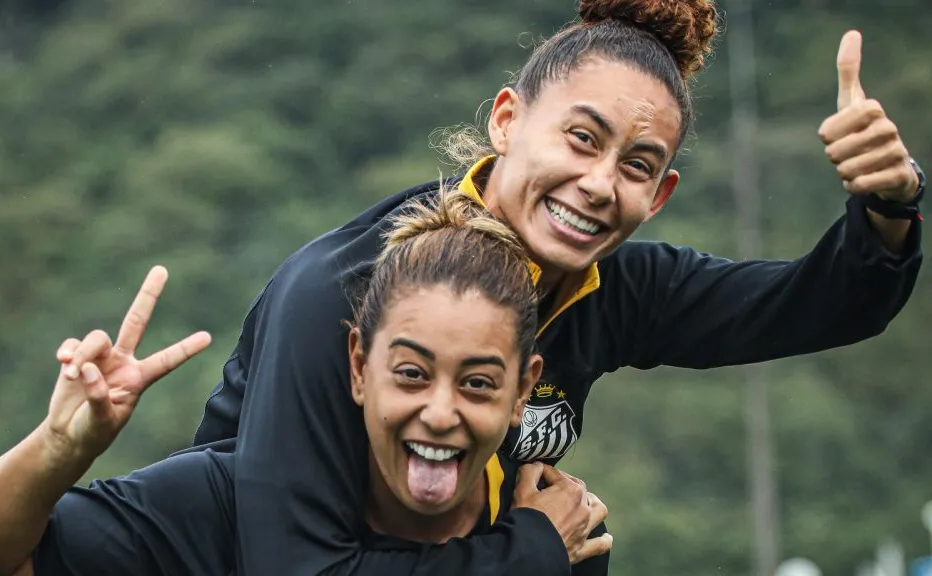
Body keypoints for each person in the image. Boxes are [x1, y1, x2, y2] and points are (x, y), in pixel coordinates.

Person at [180, 0, 924, 573]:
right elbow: (290, 566)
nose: (598, 184)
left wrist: (888, 201)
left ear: (659, 195)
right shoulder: (344, 294)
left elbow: (818, 306)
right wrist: (533, 548)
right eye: (581, 138)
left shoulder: (613, 288)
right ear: (508, 120)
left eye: (636, 166)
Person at [0, 189, 613, 576]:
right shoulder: (224, 502)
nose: (439, 412)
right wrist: (56, 449)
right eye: (410, 374)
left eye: (478, 385)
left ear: (524, 390)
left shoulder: (561, 536)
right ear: (355, 366)